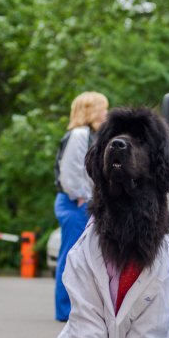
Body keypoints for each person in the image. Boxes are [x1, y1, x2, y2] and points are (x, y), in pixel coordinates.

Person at [53, 91, 108, 321]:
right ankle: (66, 309)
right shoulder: (79, 134)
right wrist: (82, 197)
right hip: (75, 203)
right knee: (72, 256)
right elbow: (71, 171)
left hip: (81, 202)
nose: (107, 113)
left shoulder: (89, 135)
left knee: (82, 257)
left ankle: (77, 307)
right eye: (103, 108)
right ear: (91, 110)